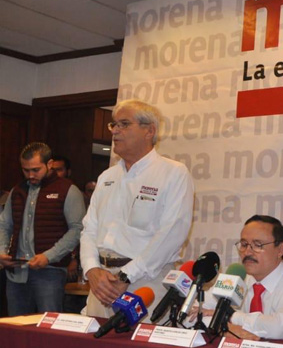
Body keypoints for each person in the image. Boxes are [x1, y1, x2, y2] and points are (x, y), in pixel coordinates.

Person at [80, 99, 195, 318]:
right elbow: (89, 230)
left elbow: (171, 234)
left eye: (124, 124)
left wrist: (126, 276)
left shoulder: (173, 173)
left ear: (149, 131)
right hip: (101, 284)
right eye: (114, 124)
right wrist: (91, 269)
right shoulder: (107, 176)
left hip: (145, 282)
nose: (115, 131)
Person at [0, 142, 86, 315]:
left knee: (48, 324)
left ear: (49, 164)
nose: (30, 175)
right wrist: (2, 251)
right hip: (16, 271)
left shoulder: (68, 190)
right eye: (25, 170)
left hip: (50, 272)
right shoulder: (17, 191)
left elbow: (77, 229)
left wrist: (49, 256)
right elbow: (4, 224)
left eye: (36, 170)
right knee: (16, 326)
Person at [222, 215, 283, 340]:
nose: (247, 252)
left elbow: (277, 330)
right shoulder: (237, 277)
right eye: (244, 244)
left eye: (257, 245)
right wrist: (226, 326)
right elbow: (200, 312)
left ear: (280, 250)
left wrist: (230, 316)